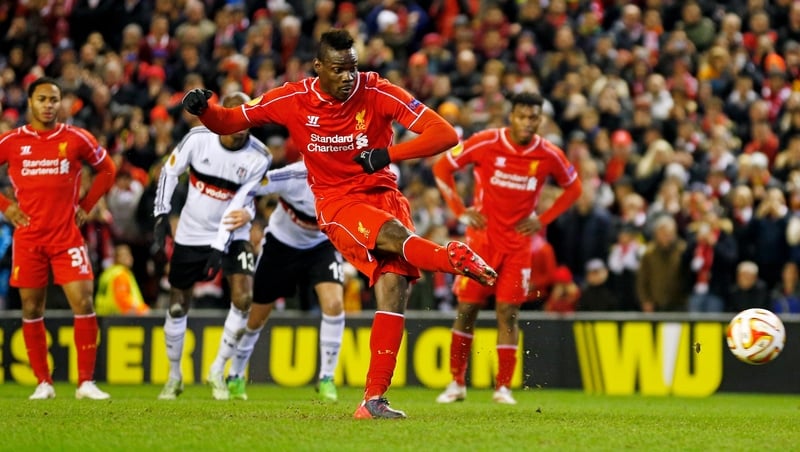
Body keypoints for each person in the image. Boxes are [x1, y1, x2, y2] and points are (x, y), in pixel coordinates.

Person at [181, 29, 497, 419]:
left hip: (386, 196)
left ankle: (373, 400)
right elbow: (228, 121)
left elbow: (444, 133)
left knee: (394, 289)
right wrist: (205, 110)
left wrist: (387, 154)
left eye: (353, 67)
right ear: (318, 68)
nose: (349, 76)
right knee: (397, 238)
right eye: (339, 69)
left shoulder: (377, 90)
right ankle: (451, 256)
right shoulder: (293, 98)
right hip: (337, 203)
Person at [432, 92, 582, 405]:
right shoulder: (485, 142)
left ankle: (503, 387)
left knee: (508, 313)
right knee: (467, 310)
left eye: (534, 117)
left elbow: (574, 187)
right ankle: (456, 382)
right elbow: (442, 167)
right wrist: (459, 210)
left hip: (518, 246)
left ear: (540, 119)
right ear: (510, 116)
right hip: (481, 242)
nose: (528, 123)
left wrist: (543, 220)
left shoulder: (549, 154)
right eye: (522, 116)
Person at [0, 77, 117, 400]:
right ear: (30, 103)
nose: (48, 106)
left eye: (54, 100)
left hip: (67, 237)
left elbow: (107, 170)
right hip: (28, 239)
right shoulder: (11, 142)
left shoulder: (76, 138)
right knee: (31, 307)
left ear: (60, 103)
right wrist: (7, 208)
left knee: (83, 301)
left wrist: (87, 206)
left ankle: (85, 383)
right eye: (42, 99)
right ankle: (43, 382)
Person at [153, 92, 271, 401]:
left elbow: (240, 203)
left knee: (244, 297)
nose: (240, 126)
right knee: (178, 304)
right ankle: (174, 376)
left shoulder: (259, 157)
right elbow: (169, 171)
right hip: (191, 234)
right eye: (233, 118)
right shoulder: (197, 139)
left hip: (234, 233)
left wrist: (220, 247)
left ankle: (217, 370)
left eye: (246, 119)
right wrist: (161, 216)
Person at [222, 160, 345, 402]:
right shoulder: (293, 175)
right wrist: (247, 214)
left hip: (321, 246)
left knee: (335, 305)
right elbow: (249, 187)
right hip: (280, 246)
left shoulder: (349, 175)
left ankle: (327, 378)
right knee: (256, 316)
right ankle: (235, 374)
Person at [95, 243, 150, 316]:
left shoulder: (107, 273)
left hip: (103, 315)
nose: (130, 258)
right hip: (119, 318)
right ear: (117, 258)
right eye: (125, 255)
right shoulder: (120, 274)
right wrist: (142, 310)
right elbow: (123, 299)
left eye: (129, 255)